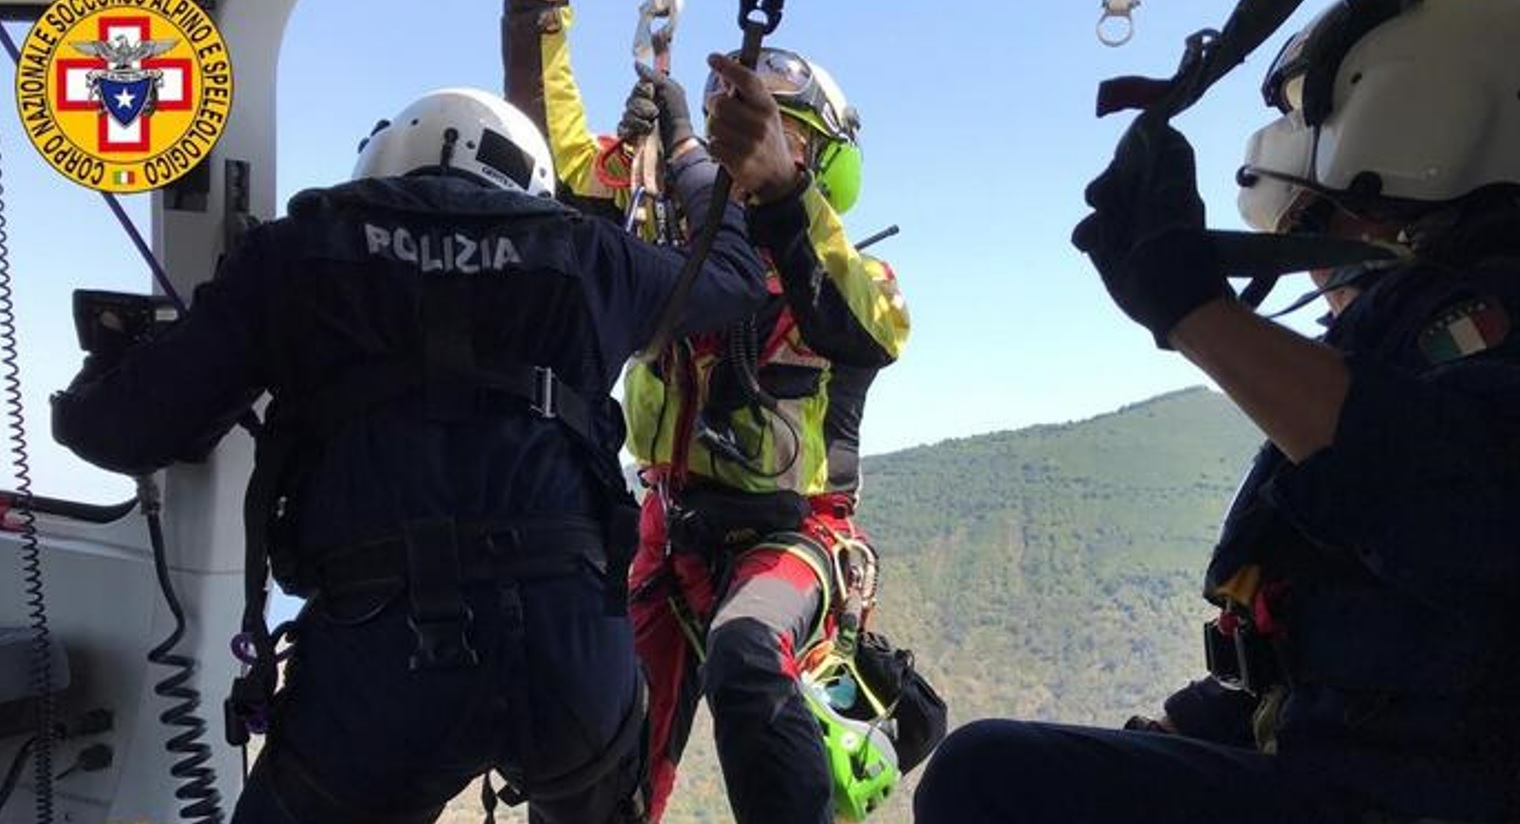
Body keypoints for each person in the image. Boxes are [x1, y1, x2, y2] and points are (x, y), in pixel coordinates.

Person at [50, 85, 800, 823]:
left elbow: (121, 432)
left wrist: (110, 355)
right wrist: (698, 160)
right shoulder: (592, 253)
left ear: (386, 160)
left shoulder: (295, 251)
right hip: (572, 657)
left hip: (379, 665)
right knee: (598, 788)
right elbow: (733, 281)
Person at [915, 1, 1520, 822]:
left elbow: (1464, 503)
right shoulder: (1407, 333)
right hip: (1363, 767)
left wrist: (1199, 316)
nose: (1323, 281)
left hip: (1437, 789)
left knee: (986, 779)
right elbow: (1336, 615)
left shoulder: (1477, 323)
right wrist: (1188, 723)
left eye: (1322, 226)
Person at [502, 5, 913, 822]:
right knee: (595, 744)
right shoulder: (671, 240)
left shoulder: (859, 277)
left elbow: (861, 329)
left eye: (777, 136)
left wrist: (775, 194)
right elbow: (564, 157)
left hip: (795, 535)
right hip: (668, 532)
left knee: (747, 656)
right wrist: (535, 21)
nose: (748, 153)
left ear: (818, 163)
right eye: (741, 132)